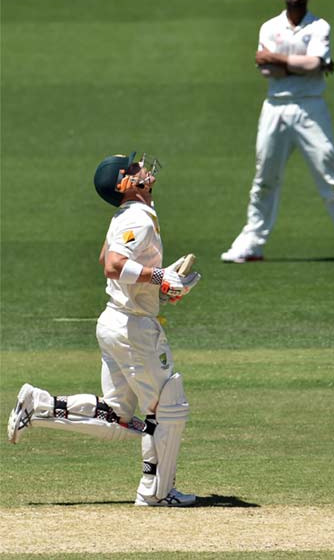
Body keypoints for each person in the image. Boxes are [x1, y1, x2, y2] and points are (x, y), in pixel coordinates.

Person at [7, 152, 201, 507]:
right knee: (167, 406)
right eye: (135, 167)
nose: (143, 167)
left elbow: (106, 258)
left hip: (117, 320)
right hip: (133, 328)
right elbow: (113, 265)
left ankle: (38, 404)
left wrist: (158, 286)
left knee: (118, 416)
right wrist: (160, 277)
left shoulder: (125, 216)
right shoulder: (137, 218)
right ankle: (156, 492)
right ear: (126, 184)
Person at [221, 0, 334, 265]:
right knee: (264, 177)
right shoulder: (269, 26)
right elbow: (266, 69)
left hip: (310, 105)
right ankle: (252, 242)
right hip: (275, 105)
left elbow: (312, 63)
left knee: (330, 173)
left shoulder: (319, 27)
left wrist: (284, 61)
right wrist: (304, 65)